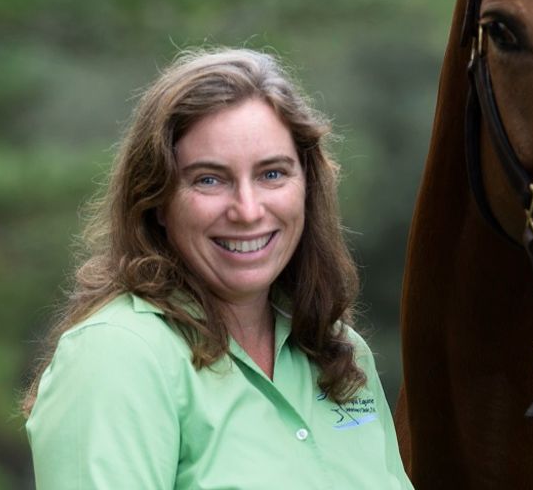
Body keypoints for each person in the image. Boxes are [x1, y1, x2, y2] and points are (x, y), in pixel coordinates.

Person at [22, 47, 413, 489]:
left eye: (272, 174)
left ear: (307, 186)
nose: (247, 210)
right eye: (209, 179)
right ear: (157, 201)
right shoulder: (117, 358)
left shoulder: (339, 351)